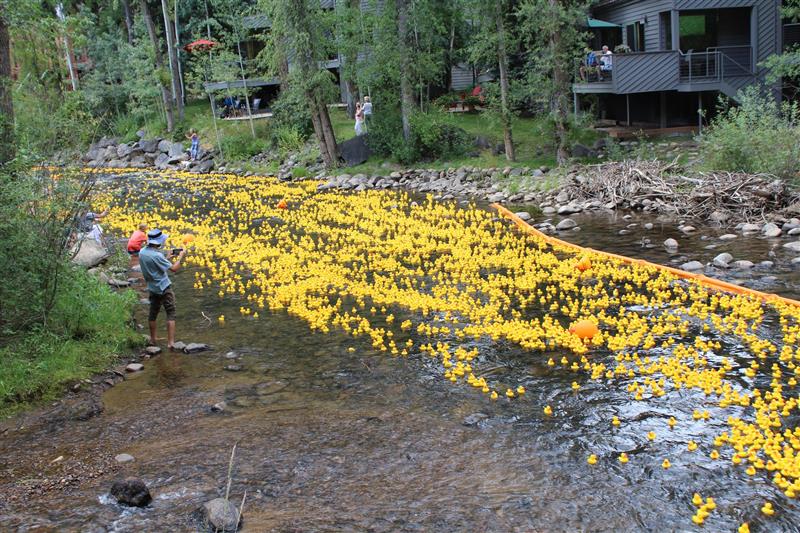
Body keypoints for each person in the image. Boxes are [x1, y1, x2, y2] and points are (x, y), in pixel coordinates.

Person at [139, 228, 186, 349]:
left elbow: (155, 263)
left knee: (153, 313)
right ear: (159, 242)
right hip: (164, 288)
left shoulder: (142, 252)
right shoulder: (157, 255)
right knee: (171, 313)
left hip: (152, 288)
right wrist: (180, 257)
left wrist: (167, 257)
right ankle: (171, 343)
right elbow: (174, 269)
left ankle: (153, 340)